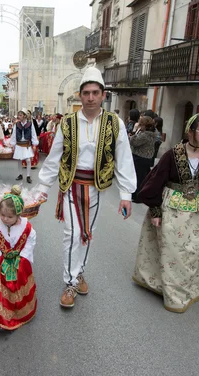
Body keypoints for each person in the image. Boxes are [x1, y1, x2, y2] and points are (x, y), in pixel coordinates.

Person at [37, 67, 136, 308]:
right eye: (86, 93)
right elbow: (55, 156)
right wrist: (42, 187)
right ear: (80, 96)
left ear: (103, 95)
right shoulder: (68, 122)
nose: (90, 97)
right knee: (72, 234)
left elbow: (123, 158)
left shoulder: (115, 123)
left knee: (86, 234)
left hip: (97, 188)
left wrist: (126, 194)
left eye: (95, 92)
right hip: (70, 185)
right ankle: (70, 282)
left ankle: (79, 271)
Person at [133, 113, 199, 313]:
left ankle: (190, 286)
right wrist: (156, 211)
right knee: (172, 252)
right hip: (172, 210)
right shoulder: (172, 155)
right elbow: (154, 182)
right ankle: (171, 289)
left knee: (192, 251)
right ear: (190, 131)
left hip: (198, 211)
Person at [0, 186, 37, 331]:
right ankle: (3, 317)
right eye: (2, 215)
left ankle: (21, 313)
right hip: (1, 263)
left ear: (18, 215)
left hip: (19, 264)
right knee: (3, 290)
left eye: (10, 217)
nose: (5, 219)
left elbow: (30, 241)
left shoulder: (26, 227)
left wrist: (23, 257)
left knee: (19, 289)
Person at [129, 116, 158, 203]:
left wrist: (134, 131)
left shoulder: (145, 135)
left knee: (138, 178)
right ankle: (139, 195)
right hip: (146, 158)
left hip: (140, 157)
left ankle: (137, 196)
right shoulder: (152, 133)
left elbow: (134, 142)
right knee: (142, 177)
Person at [11, 109, 39, 184]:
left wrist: (34, 144)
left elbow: (33, 134)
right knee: (19, 160)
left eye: (20, 115)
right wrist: (13, 144)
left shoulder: (30, 124)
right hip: (19, 144)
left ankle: (28, 176)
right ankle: (20, 174)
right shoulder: (16, 124)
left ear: (24, 116)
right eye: (18, 115)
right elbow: (14, 134)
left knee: (28, 160)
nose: (19, 116)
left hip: (27, 144)